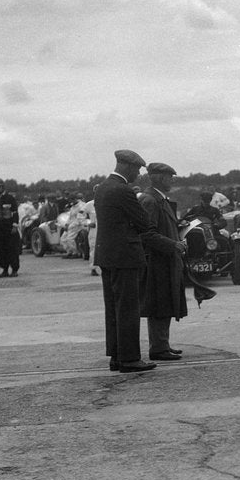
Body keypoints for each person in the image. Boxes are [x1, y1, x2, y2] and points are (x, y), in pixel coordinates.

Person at [94, 149, 180, 373]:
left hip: (107, 256)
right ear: (128, 167)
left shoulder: (102, 188)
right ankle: (130, 358)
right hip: (126, 257)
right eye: (137, 170)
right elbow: (144, 223)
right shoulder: (124, 192)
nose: (138, 174)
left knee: (113, 310)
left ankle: (116, 356)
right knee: (128, 310)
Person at [139, 162, 190, 362]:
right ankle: (158, 348)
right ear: (160, 178)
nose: (172, 180)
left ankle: (162, 344)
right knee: (159, 304)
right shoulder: (150, 200)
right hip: (157, 262)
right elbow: (147, 234)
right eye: (170, 176)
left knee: (165, 302)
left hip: (164, 260)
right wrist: (173, 245)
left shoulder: (157, 199)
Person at [0, 178, 20, 276]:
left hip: (9, 228)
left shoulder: (10, 198)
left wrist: (15, 225)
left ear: (2, 187)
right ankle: (4, 269)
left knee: (12, 250)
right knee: (1, 250)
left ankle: (14, 269)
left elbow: (15, 213)